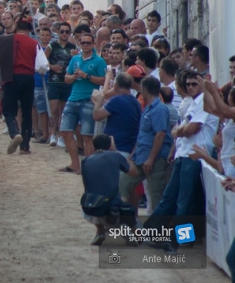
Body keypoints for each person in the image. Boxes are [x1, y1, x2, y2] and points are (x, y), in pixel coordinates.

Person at [143, 72, 218, 254]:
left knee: (184, 201)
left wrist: (180, 131)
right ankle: (151, 232)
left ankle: (174, 240)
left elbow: (190, 129)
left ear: (202, 85)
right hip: (184, 154)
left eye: (194, 84)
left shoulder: (203, 102)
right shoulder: (192, 102)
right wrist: (178, 137)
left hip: (194, 156)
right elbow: (181, 129)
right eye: (188, 84)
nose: (190, 87)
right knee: (172, 197)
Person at [118, 76, 173, 211]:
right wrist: (133, 154)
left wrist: (151, 159)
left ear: (145, 90)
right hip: (141, 157)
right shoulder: (149, 108)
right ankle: (130, 217)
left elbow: (160, 135)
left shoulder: (159, 109)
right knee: (123, 182)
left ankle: (158, 223)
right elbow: (143, 135)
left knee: (156, 195)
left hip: (155, 159)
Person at [59, 33, 107, 174]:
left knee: (87, 136)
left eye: (88, 43)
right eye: (83, 43)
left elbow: (103, 80)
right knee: (65, 131)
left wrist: (87, 76)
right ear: (79, 44)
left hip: (88, 100)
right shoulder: (75, 59)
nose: (85, 45)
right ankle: (75, 164)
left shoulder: (99, 61)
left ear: (93, 44)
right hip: (73, 98)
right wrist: (74, 77)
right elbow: (66, 78)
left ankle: (88, 167)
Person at [80, 134, 140, 246]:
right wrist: (122, 155)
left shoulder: (86, 160)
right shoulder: (115, 156)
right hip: (112, 209)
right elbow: (134, 173)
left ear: (93, 146)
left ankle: (100, 231)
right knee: (123, 202)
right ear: (110, 146)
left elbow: (86, 186)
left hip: (91, 208)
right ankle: (130, 230)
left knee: (94, 198)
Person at [0, 16, 44, 154]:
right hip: (28, 77)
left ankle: (14, 133)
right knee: (26, 111)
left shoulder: (6, 40)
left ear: (16, 28)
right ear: (29, 30)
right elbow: (43, 67)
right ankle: (24, 146)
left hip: (11, 77)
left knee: (8, 110)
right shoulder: (34, 43)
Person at [45, 22, 77, 147]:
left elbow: (77, 62)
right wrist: (52, 66)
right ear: (58, 32)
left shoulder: (72, 47)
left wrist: (75, 56)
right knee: (53, 109)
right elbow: (43, 61)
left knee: (64, 110)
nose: (64, 34)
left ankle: (60, 135)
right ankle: (52, 134)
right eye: (62, 31)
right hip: (54, 81)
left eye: (67, 31)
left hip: (67, 81)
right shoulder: (51, 46)